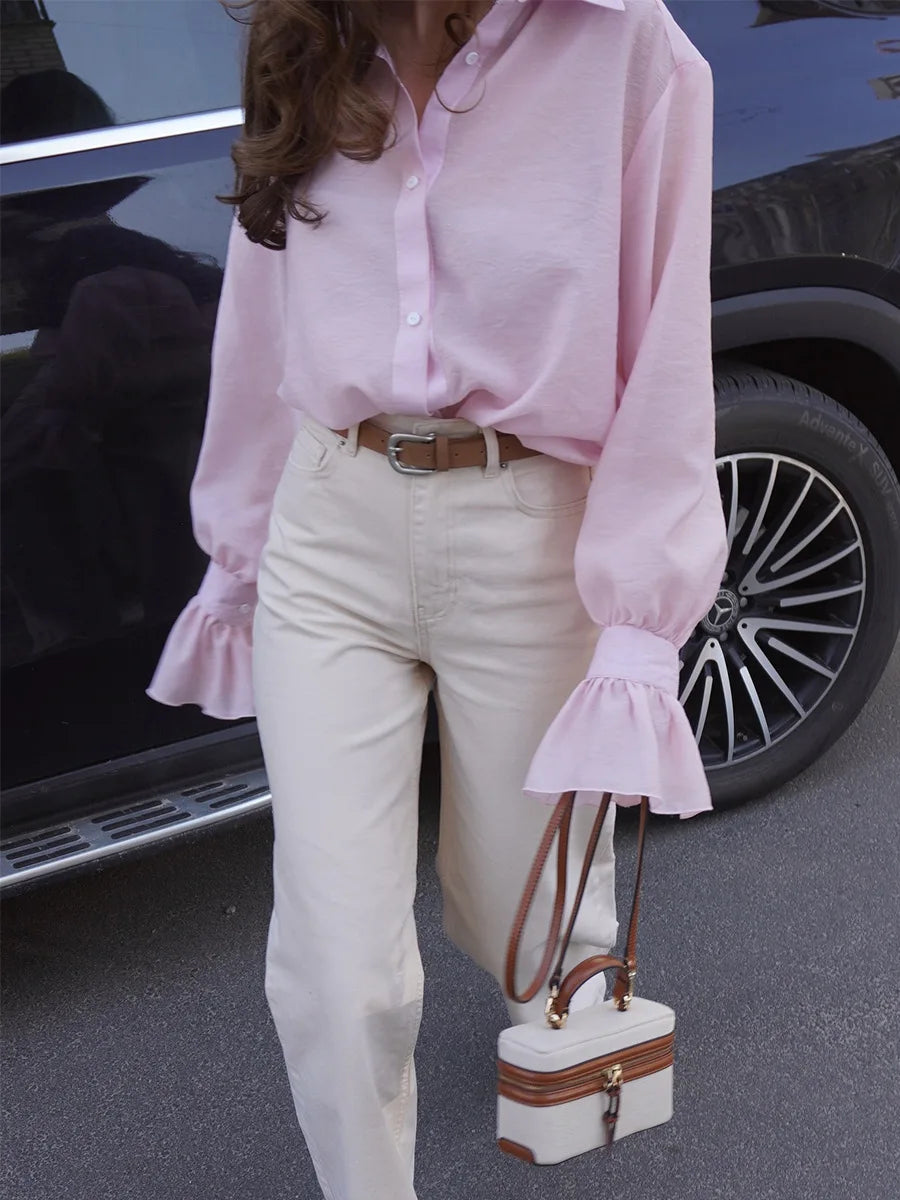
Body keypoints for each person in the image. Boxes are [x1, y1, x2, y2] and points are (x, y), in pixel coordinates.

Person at [147, 1, 729, 1196]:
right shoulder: (299, 34)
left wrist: (639, 611)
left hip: (529, 526)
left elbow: (668, 352)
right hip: (330, 521)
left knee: (532, 931)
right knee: (334, 966)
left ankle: (544, 1017)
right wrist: (243, 543)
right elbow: (262, 308)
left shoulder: (628, 48)